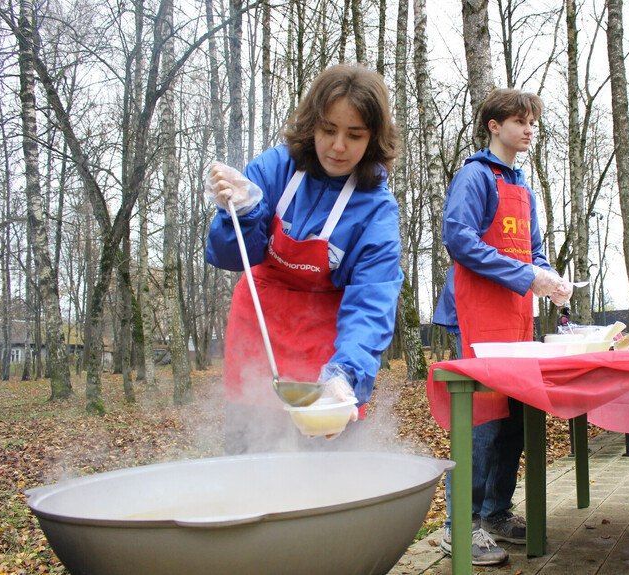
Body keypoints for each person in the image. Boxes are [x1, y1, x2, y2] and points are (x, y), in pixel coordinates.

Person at [204, 64, 403, 450]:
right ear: (312, 125)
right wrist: (242, 215)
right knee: (250, 447)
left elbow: (372, 301)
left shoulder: (376, 209)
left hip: (328, 339)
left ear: (374, 138)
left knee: (325, 455)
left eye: (355, 135)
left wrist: (345, 375)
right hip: (259, 327)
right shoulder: (273, 169)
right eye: (329, 130)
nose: (338, 146)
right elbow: (227, 254)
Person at [432, 88, 572, 565]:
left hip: (515, 319)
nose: (529, 127)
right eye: (519, 120)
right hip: (476, 316)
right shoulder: (474, 176)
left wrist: (547, 277)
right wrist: (524, 275)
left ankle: (494, 511)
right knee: (482, 421)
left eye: (532, 120)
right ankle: (459, 525)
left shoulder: (525, 187)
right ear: (494, 125)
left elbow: (533, 249)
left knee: (513, 418)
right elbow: (459, 239)